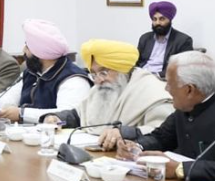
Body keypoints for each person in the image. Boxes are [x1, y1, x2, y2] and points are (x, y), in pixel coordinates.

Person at [117, 51, 215, 181]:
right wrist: (137, 147)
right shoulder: (188, 103)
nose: (166, 89)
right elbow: (161, 137)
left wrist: (181, 169)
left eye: (169, 83)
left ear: (189, 90)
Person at [42, 39, 174, 150]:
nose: (98, 80)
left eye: (104, 72)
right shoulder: (102, 88)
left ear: (122, 70)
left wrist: (124, 132)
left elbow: (164, 134)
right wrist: (58, 119)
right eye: (93, 74)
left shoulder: (152, 92)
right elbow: (79, 115)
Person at [0, 19, 92, 124]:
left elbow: (66, 115)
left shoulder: (74, 80)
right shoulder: (33, 71)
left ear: (40, 52)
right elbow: (11, 95)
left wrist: (22, 114)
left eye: (27, 47)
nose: (23, 50)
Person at [136, 1, 193, 78]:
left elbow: (182, 68)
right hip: (141, 75)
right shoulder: (145, 38)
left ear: (170, 20)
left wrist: (157, 75)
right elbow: (137, 61)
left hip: (162, 78)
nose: (157, 23)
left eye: (162, 19)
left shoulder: (183, 40)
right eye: (154, 19)